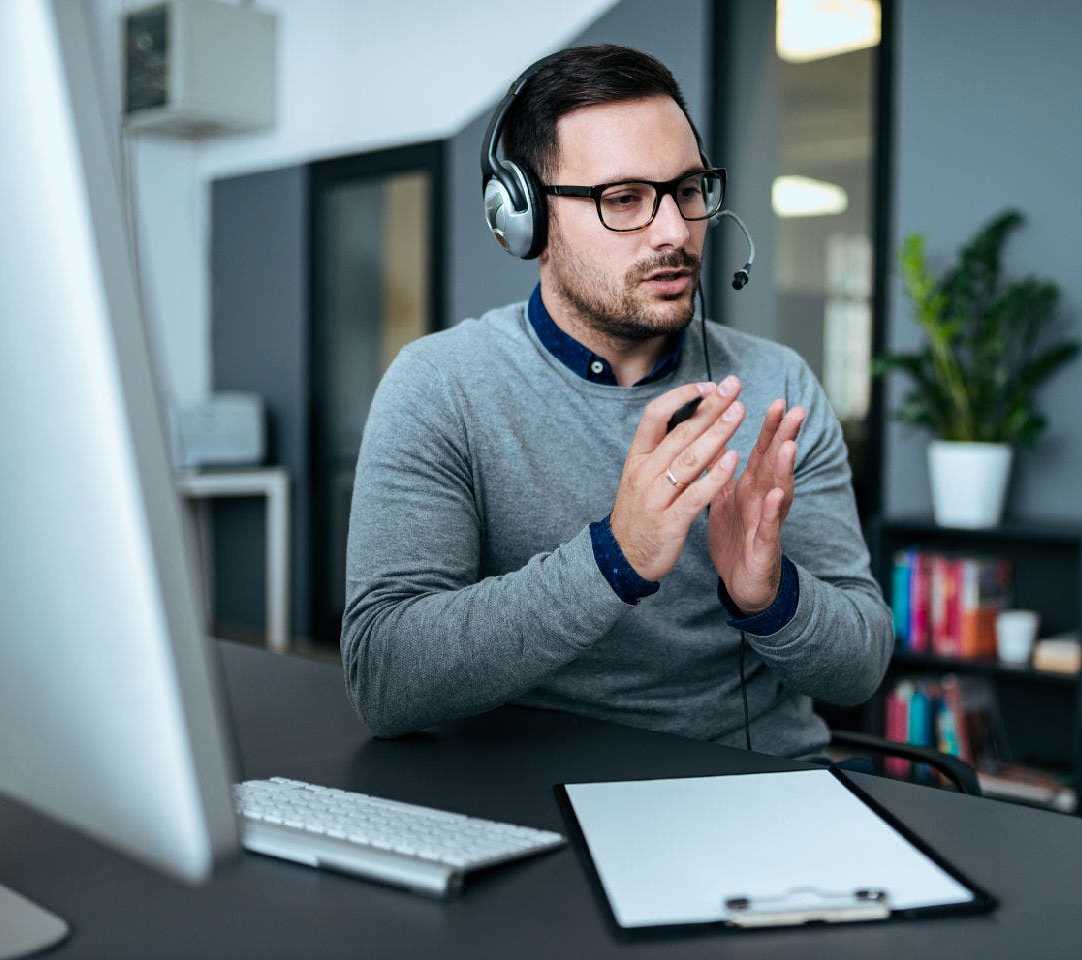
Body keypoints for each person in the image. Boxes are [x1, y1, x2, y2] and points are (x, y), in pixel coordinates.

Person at [341, 44, 892, 764]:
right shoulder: (439, 386)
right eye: (623, 198)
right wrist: (613, 558)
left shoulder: (775, 384)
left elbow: (857, 670)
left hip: (755, 784)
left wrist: (770, 596)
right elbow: (385, 681)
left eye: (688, 189)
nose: (674, 232)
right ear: (526, 218)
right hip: (522, 793)